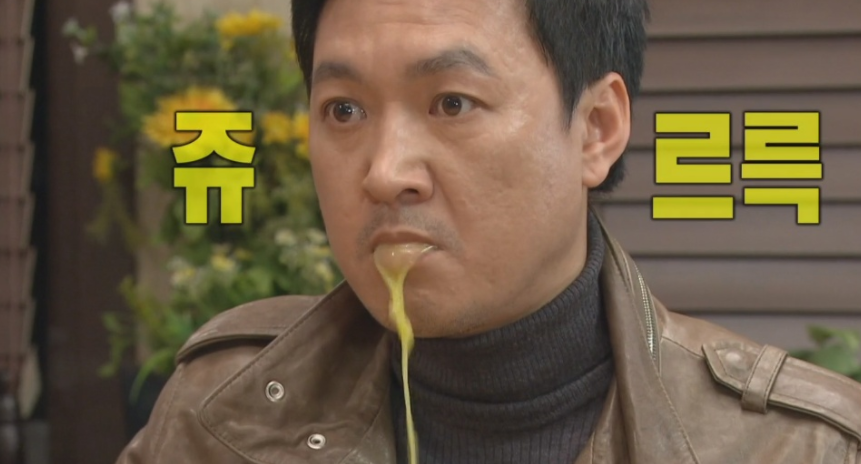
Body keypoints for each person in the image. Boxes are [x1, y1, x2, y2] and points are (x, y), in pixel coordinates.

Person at [115, 0, 861, 462]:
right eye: (344, 110)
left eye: (451, 103)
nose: (384, 173)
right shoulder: (222, 415)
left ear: (596, 128)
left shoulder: (794, 448)